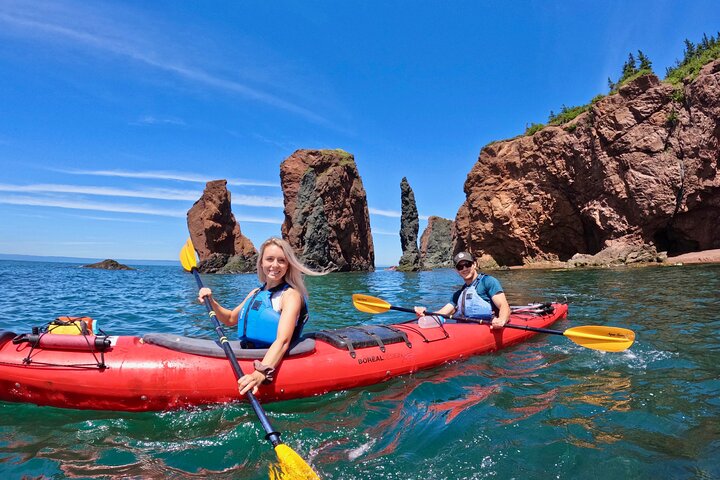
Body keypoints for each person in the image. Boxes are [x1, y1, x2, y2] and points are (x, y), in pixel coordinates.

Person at [198, 237, 322, 395]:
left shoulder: (290, 295)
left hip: (270, 357)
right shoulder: (256, 293)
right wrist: (211, 301)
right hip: (250, 351)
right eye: (270, 259)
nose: (275, 265)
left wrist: (259, 373)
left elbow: (283, 341)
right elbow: (230, 319)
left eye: (281, 260)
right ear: (261, 263)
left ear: (288, 265)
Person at [414, 251, 510, 329]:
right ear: (457, 271)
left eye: (467, 264)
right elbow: (443, 312)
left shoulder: (488, 282)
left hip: (487, 326)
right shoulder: (459, 294)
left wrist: (501, 320)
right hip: (464, 329)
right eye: (460, 267)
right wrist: (425, 314)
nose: (464, 269)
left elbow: (504, 306)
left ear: (474, 264)